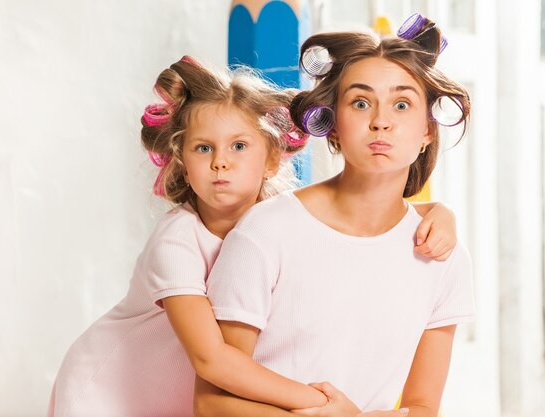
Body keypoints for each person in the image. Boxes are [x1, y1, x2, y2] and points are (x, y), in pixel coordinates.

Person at [47, 55, 456, 417]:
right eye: (203, 149)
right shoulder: (177, 242)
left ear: (271, 158)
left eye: (239, 146)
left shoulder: (273, 223)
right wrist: (320, 404)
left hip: (175, 399)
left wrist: (436, 211)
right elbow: (211, 359)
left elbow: (355, 214)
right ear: (182, 163)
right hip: (107, 395)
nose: (221, 163)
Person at [198, 14, 475, 417]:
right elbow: (210, 404)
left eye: (402, 104)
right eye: (360, 102)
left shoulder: (442, 254)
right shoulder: (266, 231)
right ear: (334, 126)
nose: (381, 121)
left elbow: (421, 407)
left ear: (428, 131)